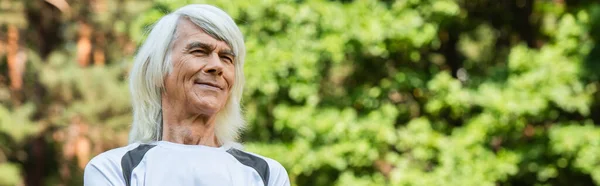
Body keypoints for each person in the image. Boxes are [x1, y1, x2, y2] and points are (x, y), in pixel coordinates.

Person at [83, 4, 290, 186]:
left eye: (226, 58)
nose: (217, 66)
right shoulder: (115, 170)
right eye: (199, 51)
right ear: (157, 70)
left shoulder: (267, 174)